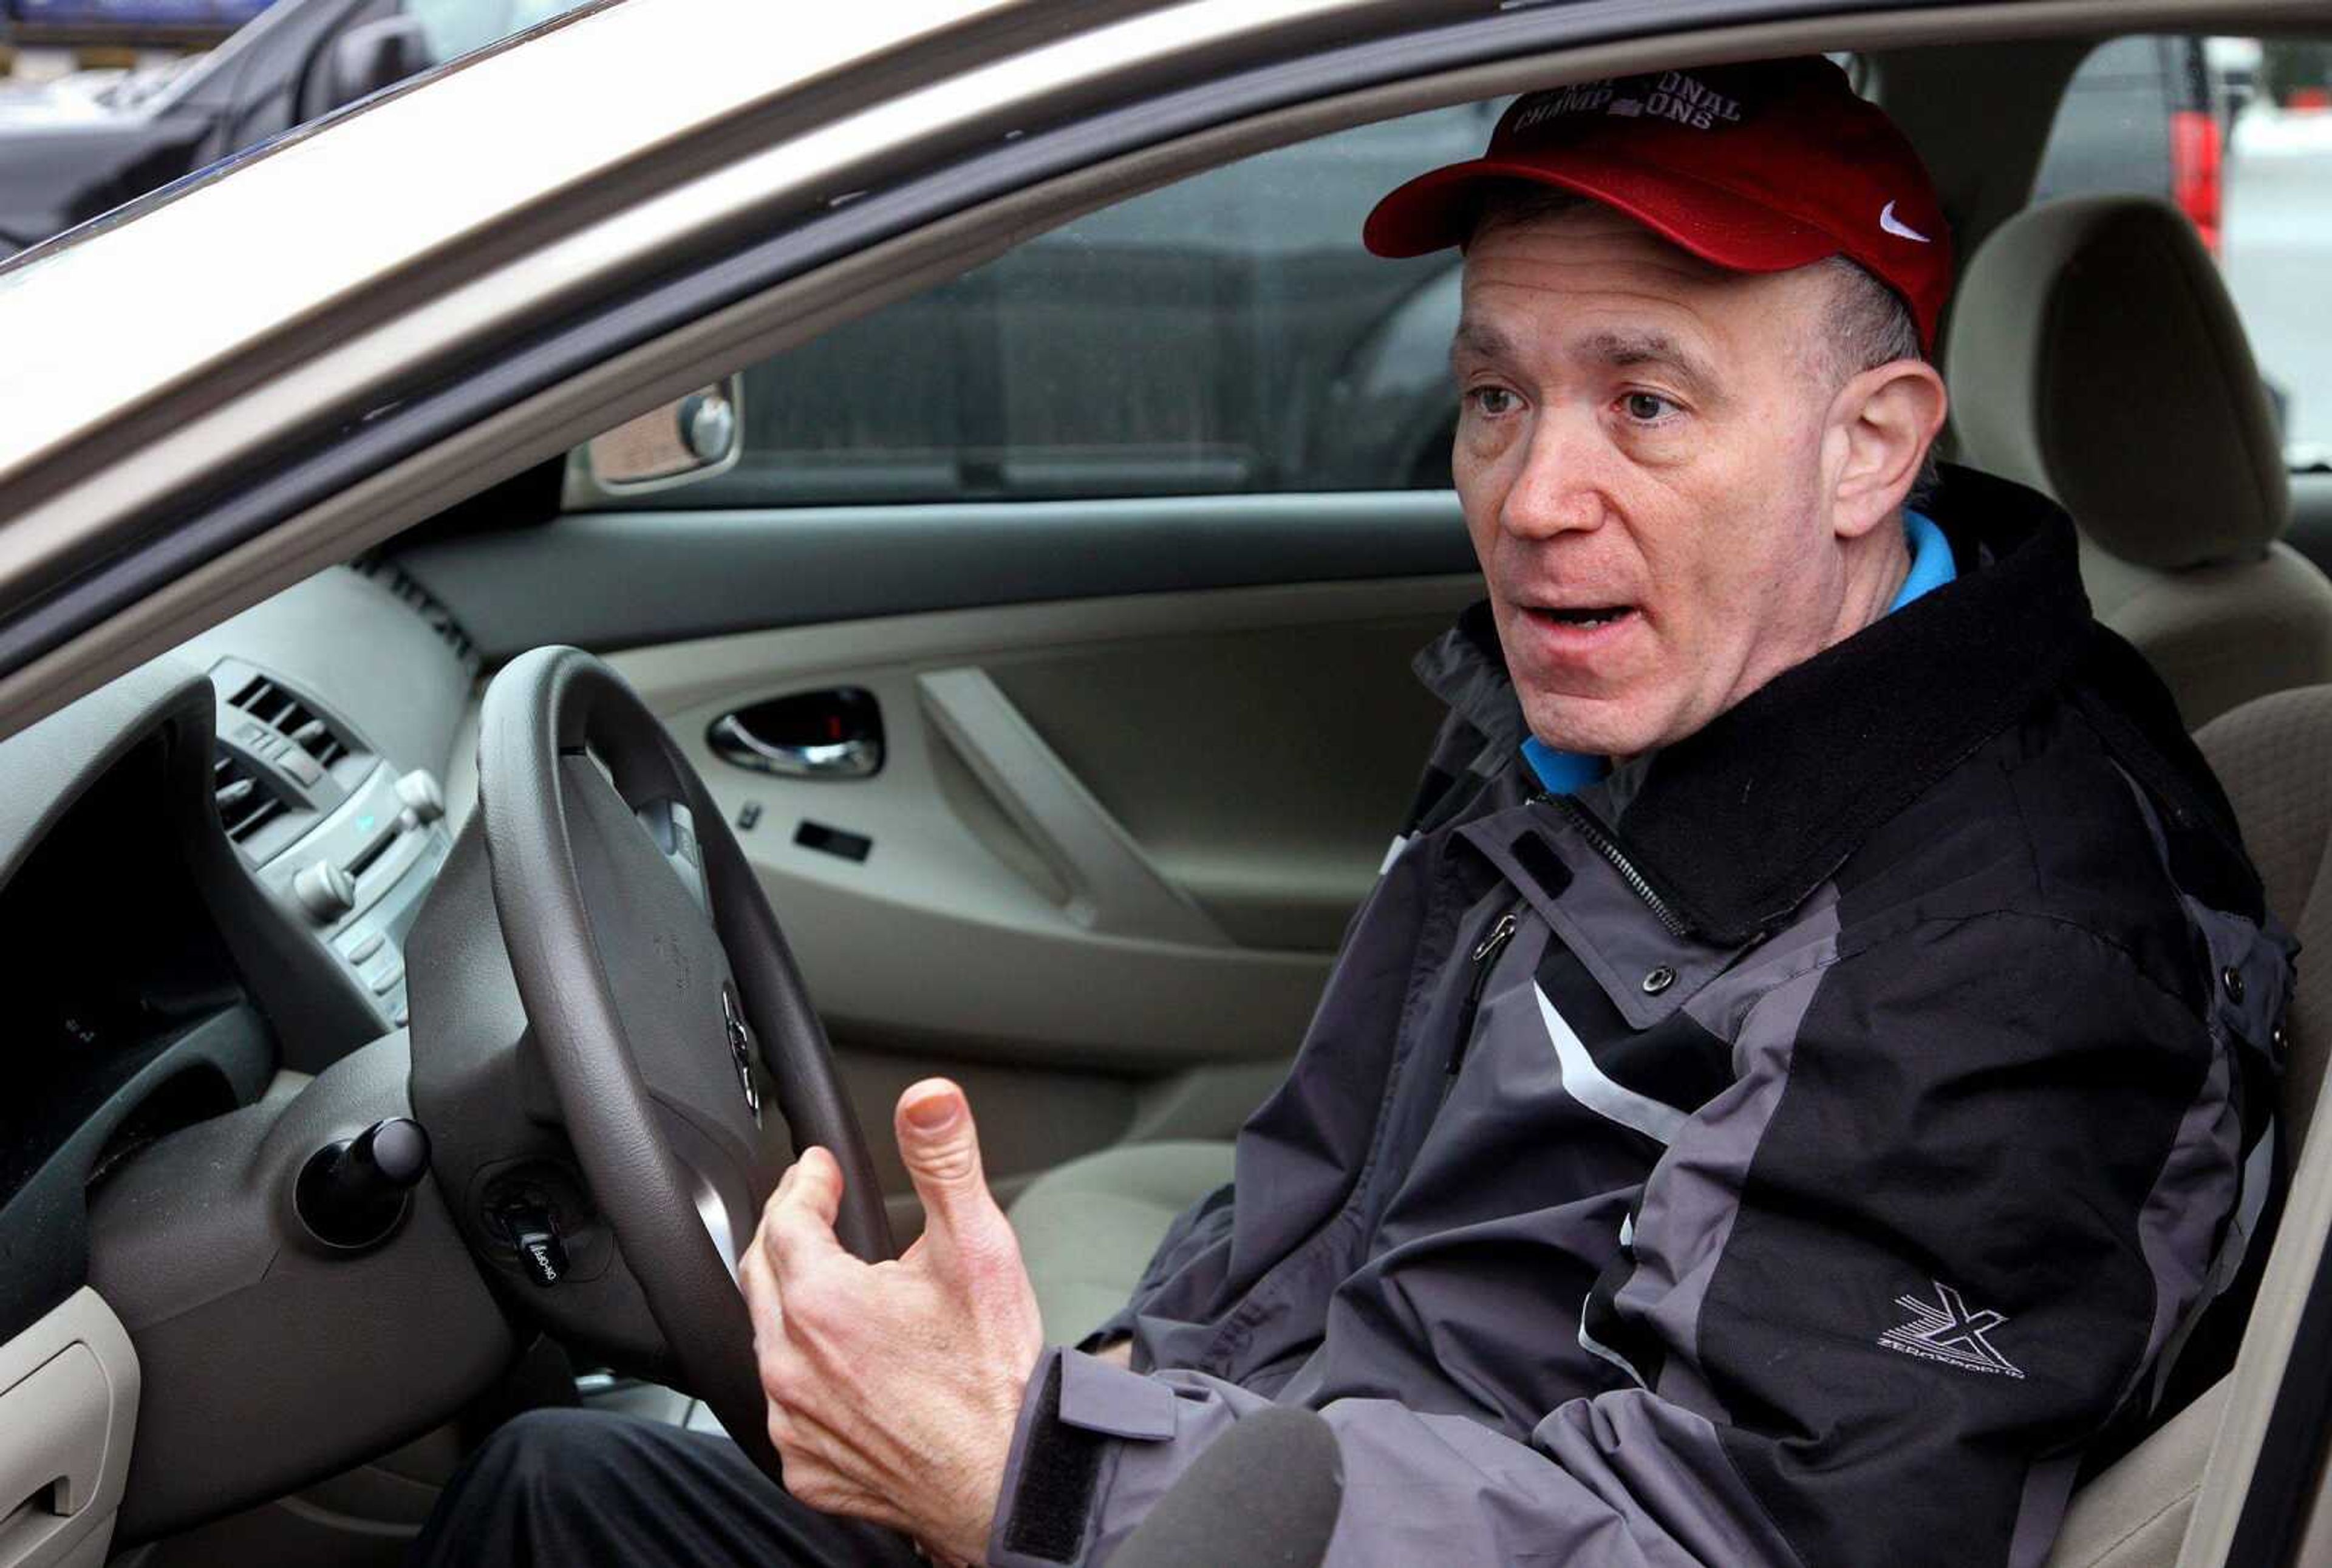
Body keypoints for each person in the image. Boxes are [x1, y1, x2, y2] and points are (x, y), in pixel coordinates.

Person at [410, 55, 2288, 1568]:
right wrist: (1125, 1379)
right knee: (560, 1492)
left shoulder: (2008, 949)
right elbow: (1343, 1185)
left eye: (1644, 405)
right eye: (1494, 396)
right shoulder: (1609, 702)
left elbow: (1739, 1535)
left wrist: (1044, 1471)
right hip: (1284, 1468)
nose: (1535, 498)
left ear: (1870, 443)